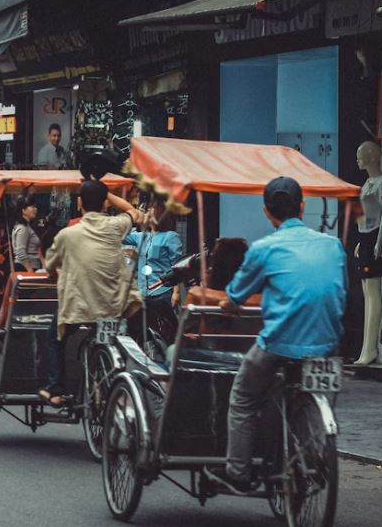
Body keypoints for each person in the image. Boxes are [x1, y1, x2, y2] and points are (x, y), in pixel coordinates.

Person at [205, 176, 346, 495]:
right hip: (329, 344)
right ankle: (312, 455)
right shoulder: (332, 245)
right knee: (314, 394)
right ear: (303, 206)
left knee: (242, 396)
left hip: (280, 342)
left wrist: (229, 304)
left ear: (267, 212)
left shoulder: (264, 249)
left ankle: (238, 471)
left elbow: (235, 295)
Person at [40, 180, 142, 405]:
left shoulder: (67, 235)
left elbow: (49, 265)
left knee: (53, 337)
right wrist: (106, 193)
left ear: (79, 202)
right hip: (115, 305)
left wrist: (55, 276)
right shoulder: (116, 226)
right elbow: (132, 211)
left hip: (81, 308)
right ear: (105, 204)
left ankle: (55, 389)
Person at [124, 198, 183, 343]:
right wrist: (133, 217)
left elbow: (177, 266)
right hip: (142, 293)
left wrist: (176, 292)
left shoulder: (170, 237)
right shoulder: (140, 236)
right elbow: (119, 236)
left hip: (162, 292)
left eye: (151, 210)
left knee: (165, 332)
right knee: (140, 331)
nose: (148, 213)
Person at [11, 198, 43, 271]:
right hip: (25, 268)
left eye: (35, 207)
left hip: (29, 267)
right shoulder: (23, 228)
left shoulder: (26, 227)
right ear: (24, 210)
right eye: (32, 207)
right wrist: (30, 270)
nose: (35, 209)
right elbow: (21, 252)